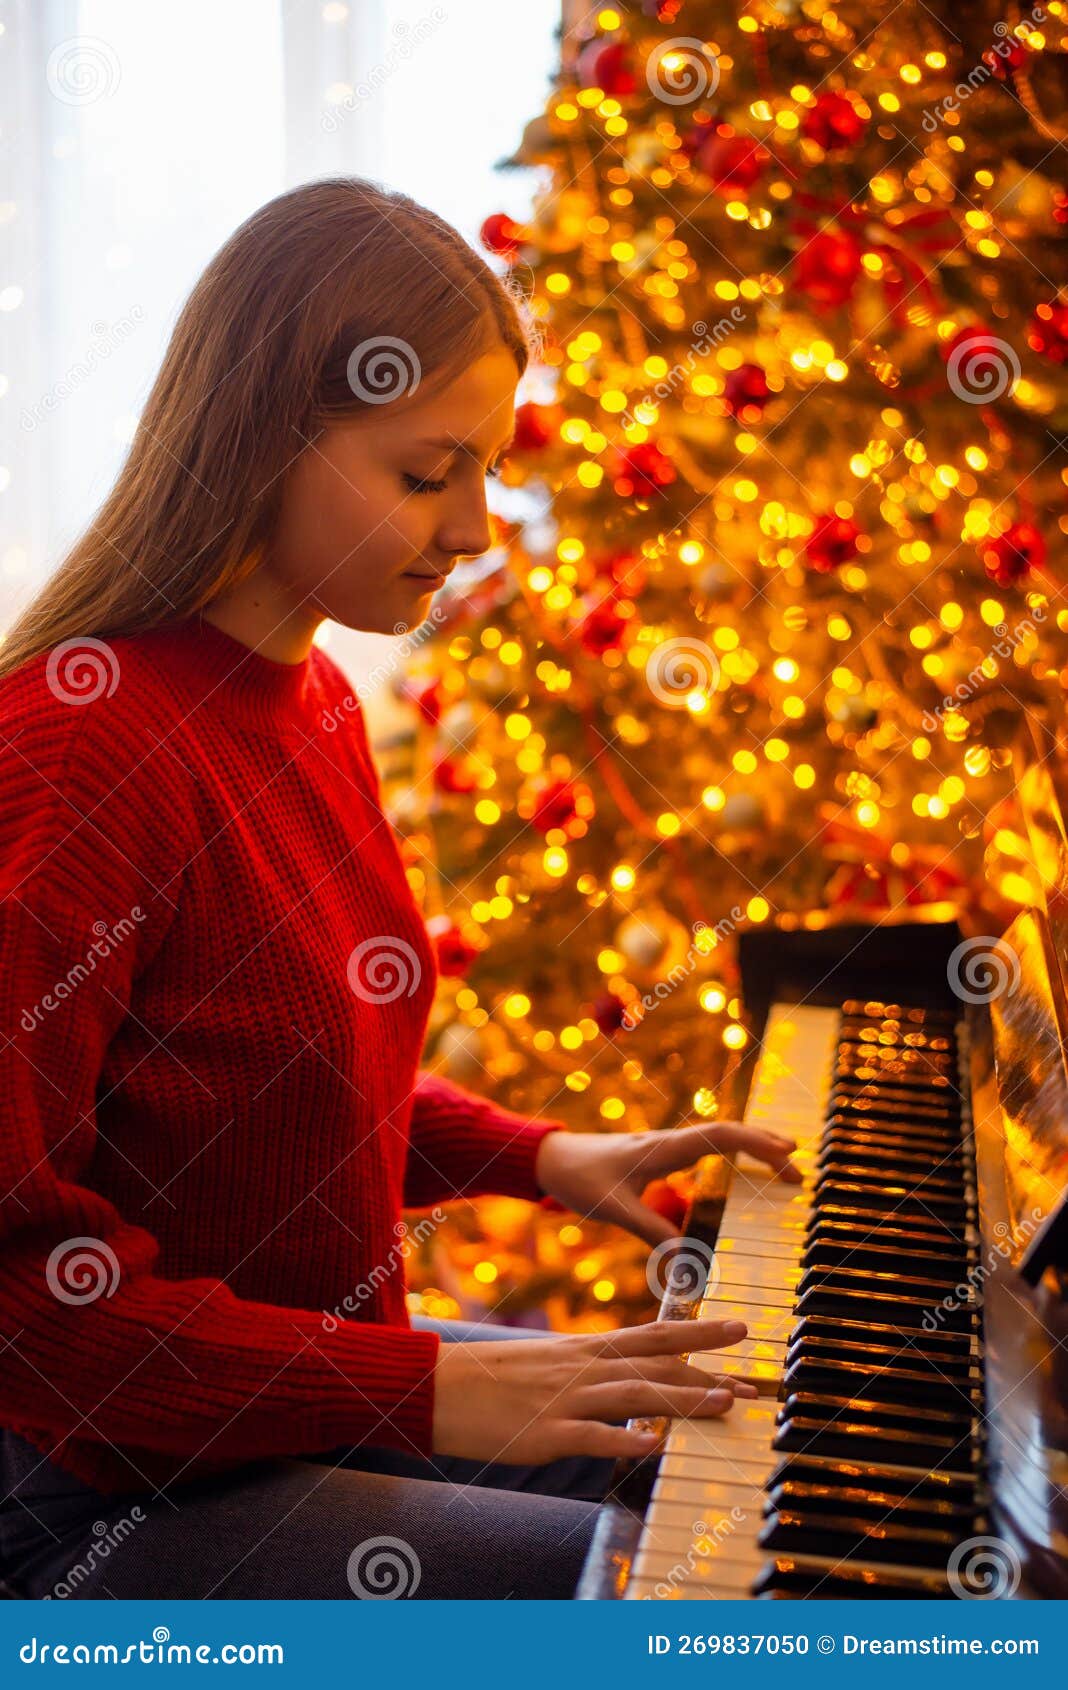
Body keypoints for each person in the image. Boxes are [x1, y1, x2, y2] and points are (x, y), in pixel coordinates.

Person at [0, 178, 798, 1601]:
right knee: (652, 1598)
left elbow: (257, 1083)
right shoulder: (82, 747)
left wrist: (542, 1155)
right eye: (429, 474)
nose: (480, 524)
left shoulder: (310, 701)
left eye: (489, 469)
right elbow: (23, 1304)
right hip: (88, 1496)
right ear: (261, 438)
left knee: (742, 1454)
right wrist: (426, 1387)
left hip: (274, 1414)